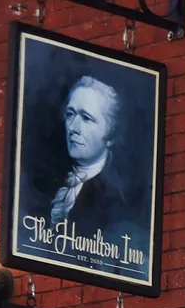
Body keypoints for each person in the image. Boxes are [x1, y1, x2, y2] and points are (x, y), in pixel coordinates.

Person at [43, 74, 142, 246]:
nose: (73, 128)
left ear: (110, 135)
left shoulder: (115, 199)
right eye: (70, 114)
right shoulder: (46, 180)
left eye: (86, 118)